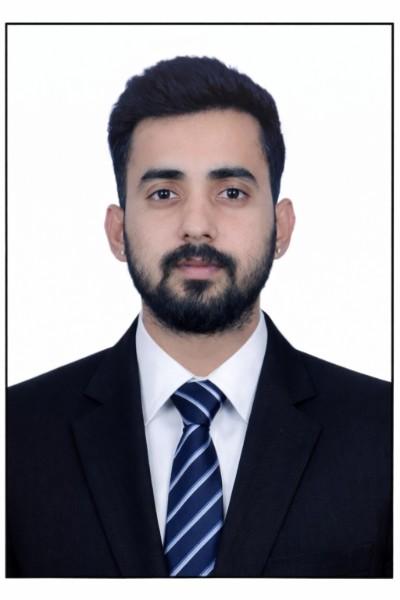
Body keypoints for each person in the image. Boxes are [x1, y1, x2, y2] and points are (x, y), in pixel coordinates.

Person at [7, 56, 392, 578]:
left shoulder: (383, 431)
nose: (196, 225)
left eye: (231, 192)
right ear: (118, 231)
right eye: (164, 193)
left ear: (281, 227)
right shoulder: (16, 435)